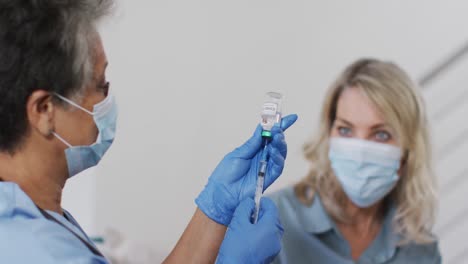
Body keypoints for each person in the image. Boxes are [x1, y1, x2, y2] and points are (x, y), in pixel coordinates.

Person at [0, 1, 297, 263]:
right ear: (43, 110)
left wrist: (216, 207)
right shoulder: (38, 250)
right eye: (100, 85)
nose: (107, 100)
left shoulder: (30, 211)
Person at [270, 58, 441, 263]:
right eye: (345, 130)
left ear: (408, 149)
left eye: (381, 135)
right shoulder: (274, 217)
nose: (360, 153)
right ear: (329, 133)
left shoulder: (421, 252)